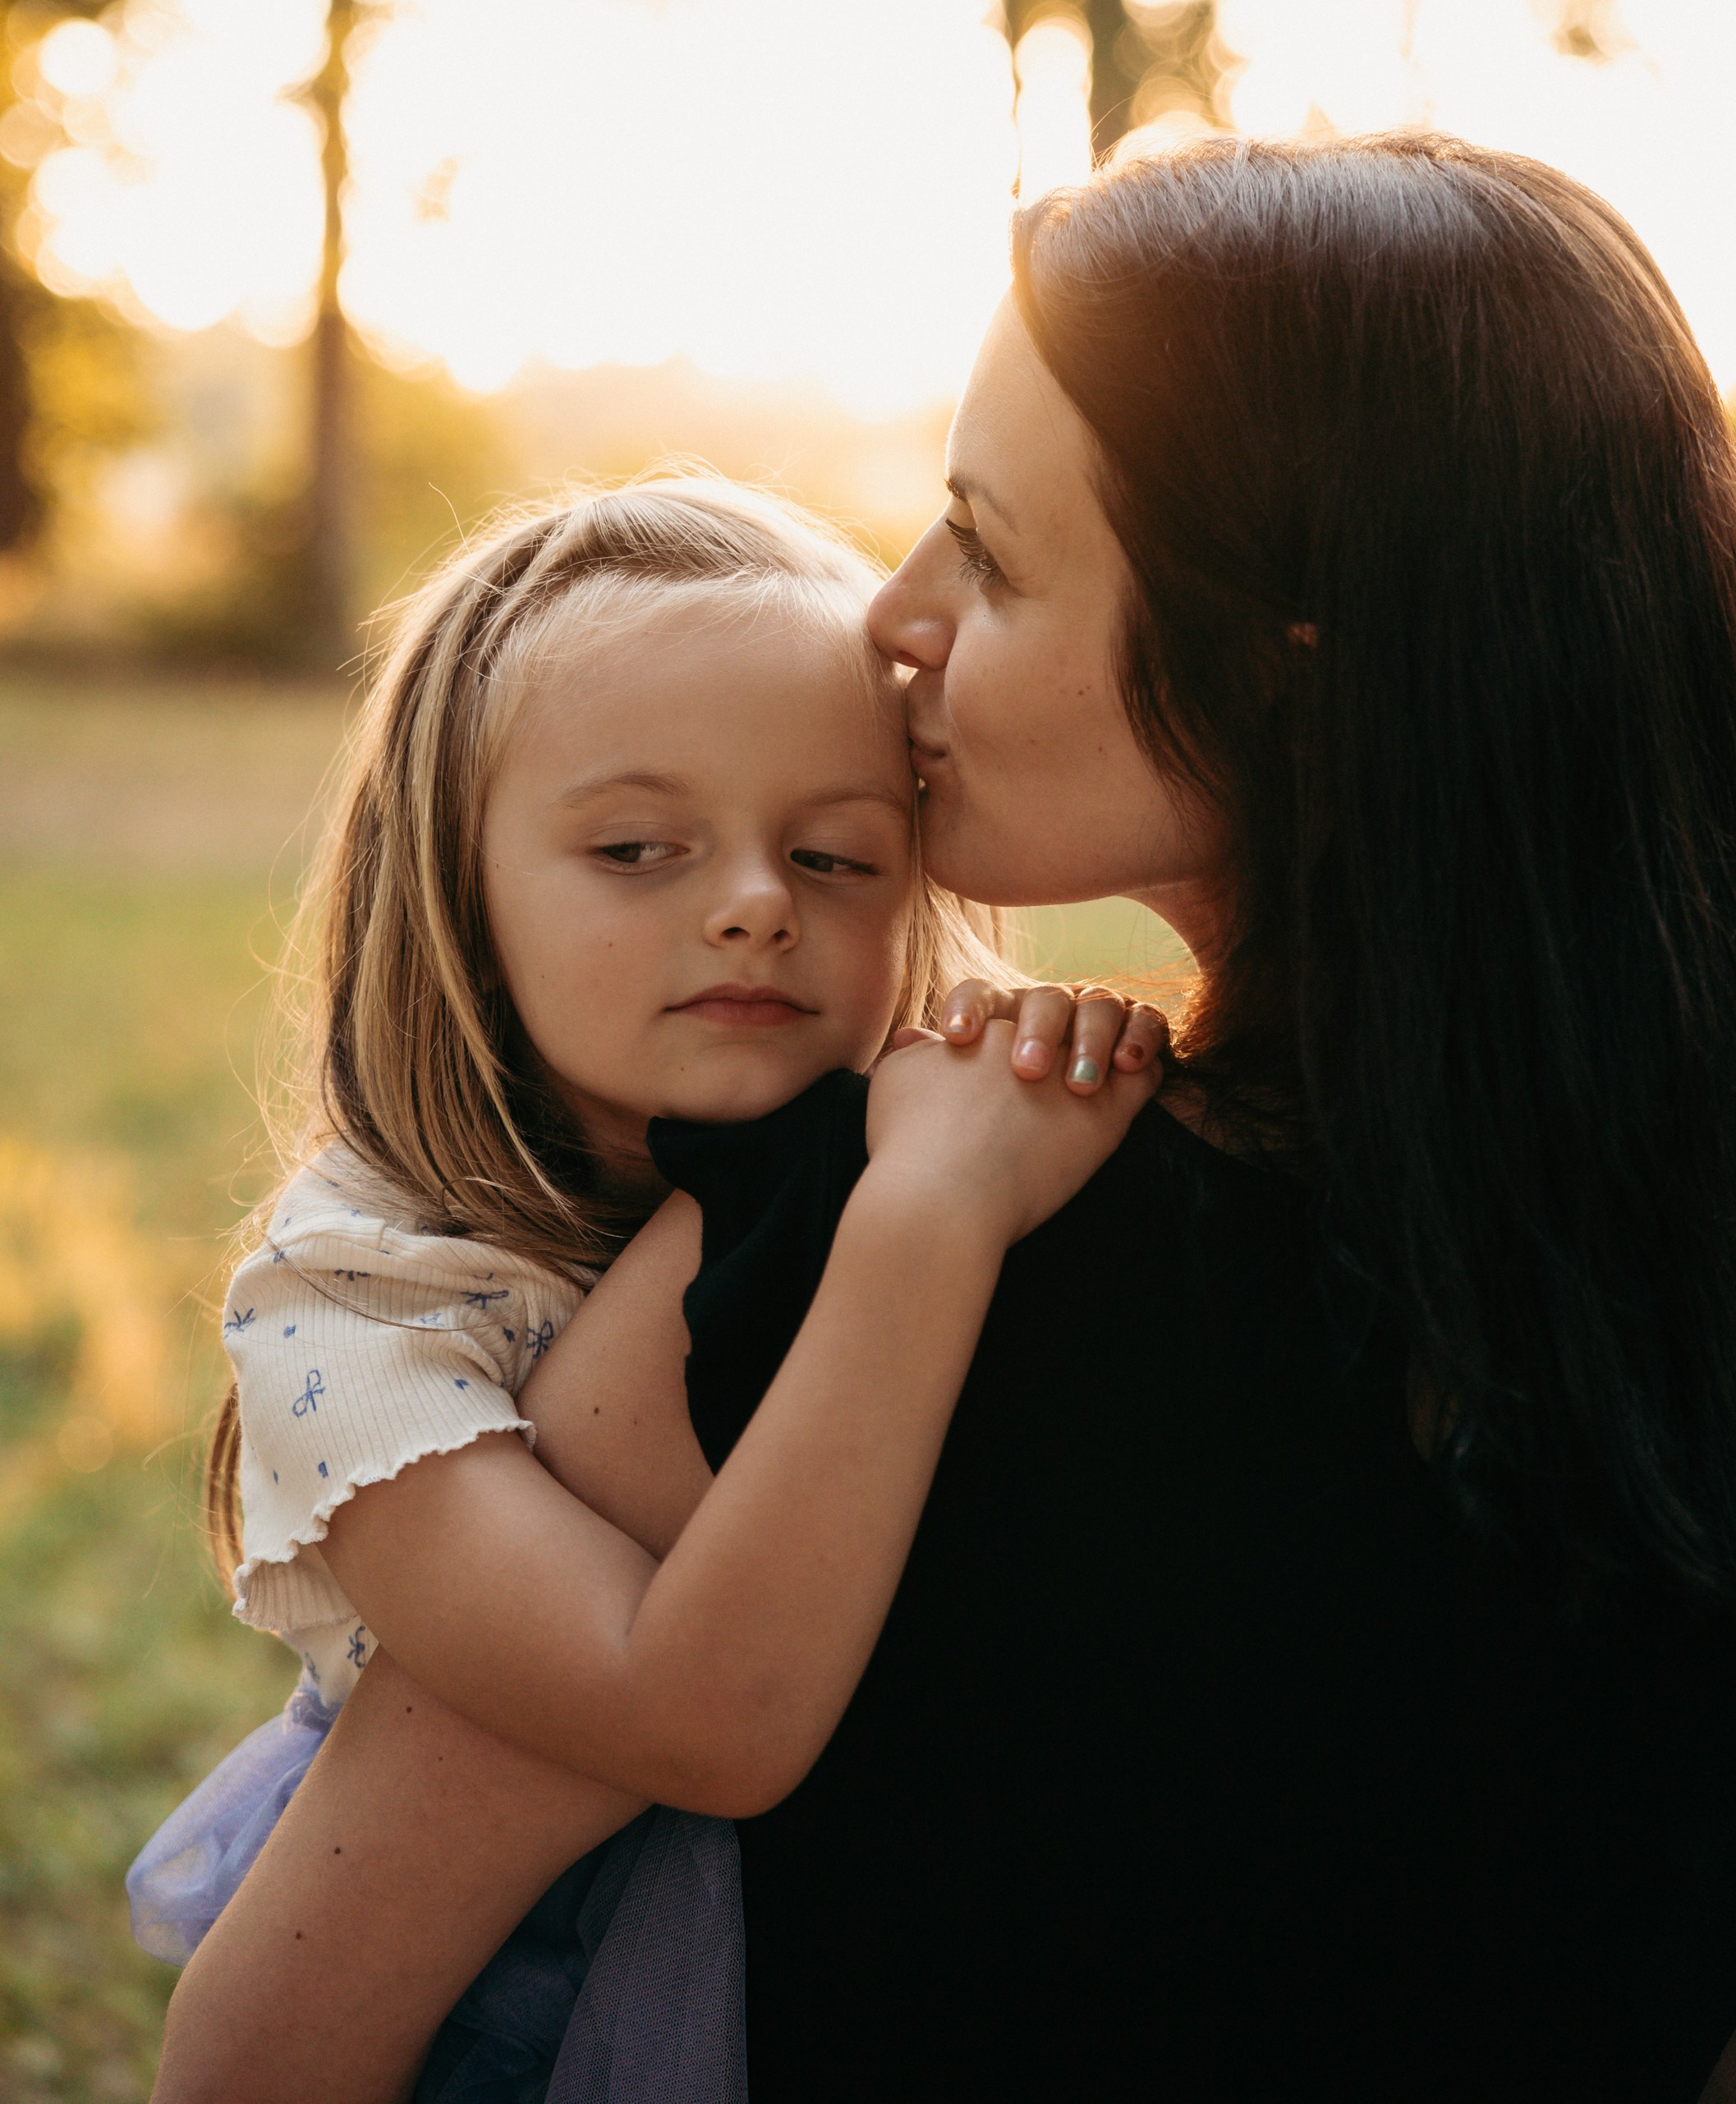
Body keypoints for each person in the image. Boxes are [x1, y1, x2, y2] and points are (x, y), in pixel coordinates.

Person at [156, 134, 1736, 2103]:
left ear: (1283, 665)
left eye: (987, 551)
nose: (894, 617)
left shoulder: (838, 1250)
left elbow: (273, 2043)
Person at [133, 474, 1163, 2097]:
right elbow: (692, 1714)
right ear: (459, 891)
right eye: (636, 847)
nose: (757, 900)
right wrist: (933, 1215)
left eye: (834, 856)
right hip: (502, 2007)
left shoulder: (890, 1114)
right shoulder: (358, 1300)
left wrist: (1047, 1060)